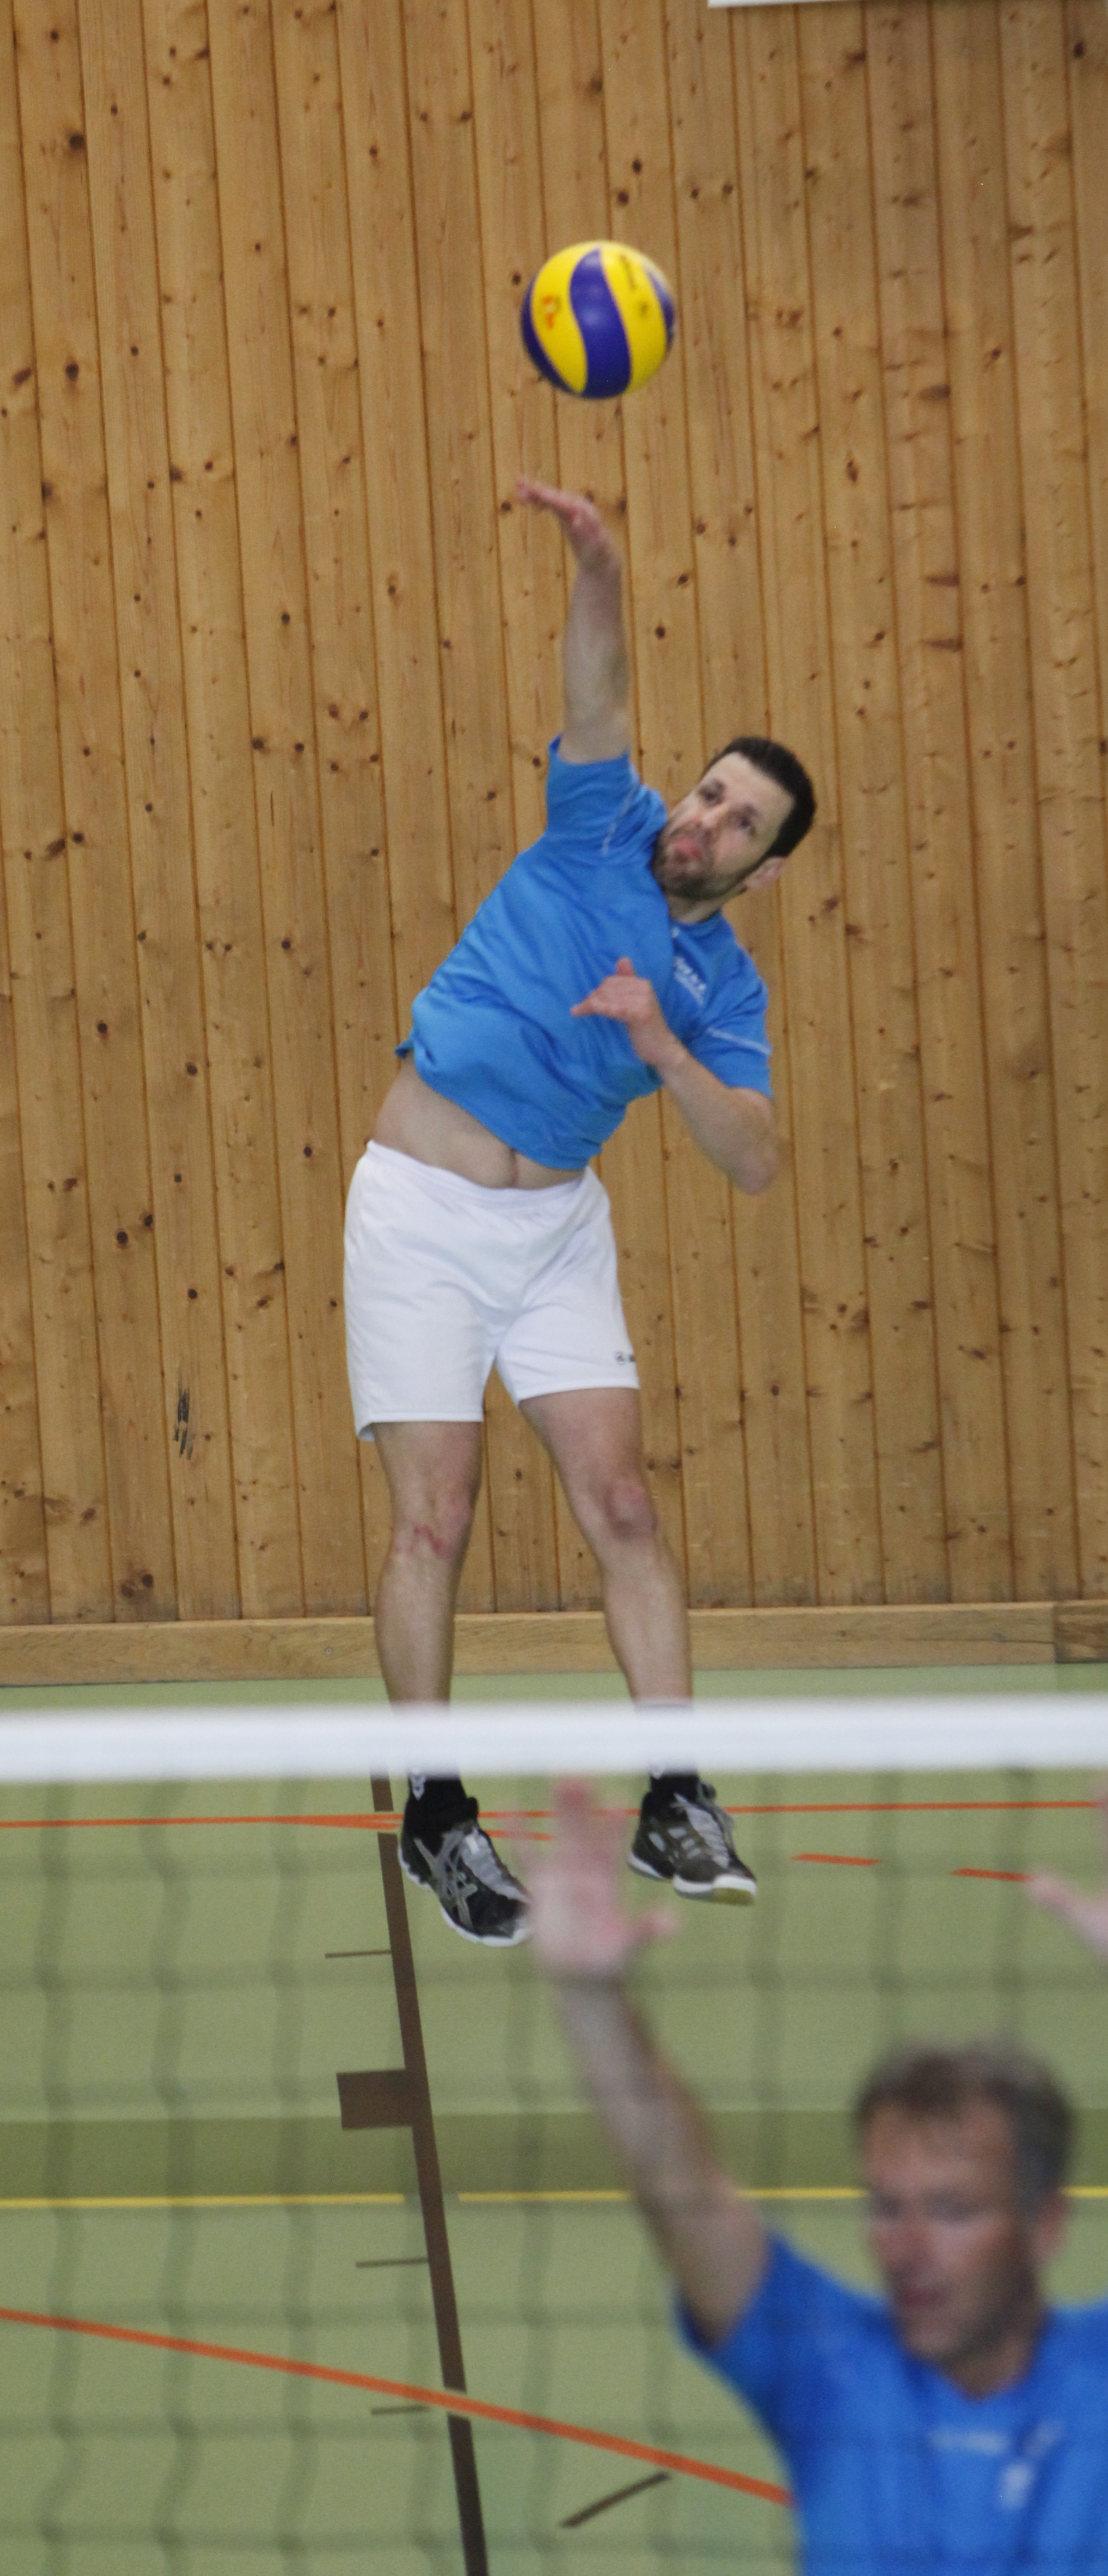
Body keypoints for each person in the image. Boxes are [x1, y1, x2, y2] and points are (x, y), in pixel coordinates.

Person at [343, 479, 816, 1948]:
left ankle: (679, 1796)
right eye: (710, 789)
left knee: (624, 1503)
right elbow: (597, 686)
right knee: (436, 1517)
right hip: (419, 1211)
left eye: (739, 819)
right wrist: (597, 563)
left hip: (555, 1236)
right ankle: (437, 1814)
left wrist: (664, 1047)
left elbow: (756, 1158)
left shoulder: (722, 989)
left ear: (763, 868)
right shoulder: (602, 821)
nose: (707, 816)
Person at [529, 1780, 1108, 2573]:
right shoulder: (835, 2376)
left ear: (1044, 2224)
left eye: (951, 2211)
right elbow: (686, 2197)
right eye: (887, 2207)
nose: (907, 2250)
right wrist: (590, 2000)